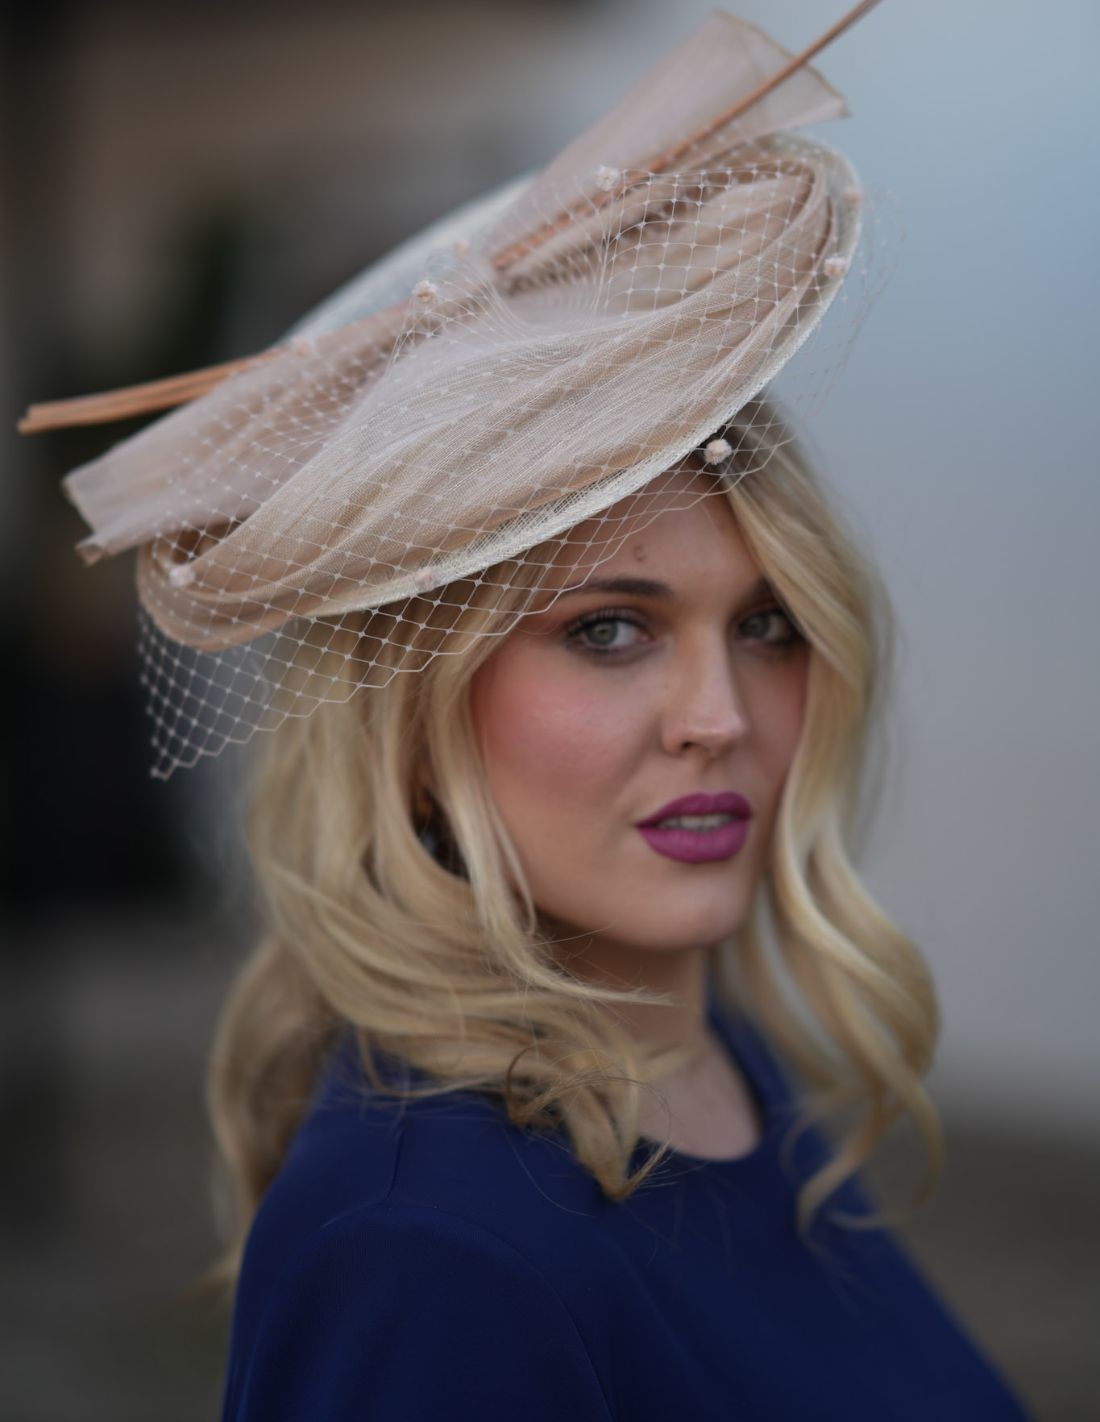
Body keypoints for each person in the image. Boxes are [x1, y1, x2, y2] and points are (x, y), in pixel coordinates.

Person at [21, 8, 1033, 1418]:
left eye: (768, 626)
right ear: (412, 717)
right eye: (609, 630)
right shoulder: (430, 1255)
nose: (719, 717)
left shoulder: (702, 1061)